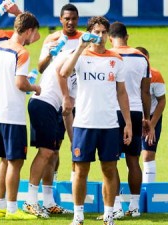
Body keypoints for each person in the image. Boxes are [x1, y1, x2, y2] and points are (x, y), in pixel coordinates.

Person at [58, 16, 132, 225]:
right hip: (84, 123)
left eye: (103, 32)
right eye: (96, 32)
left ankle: (109, 215)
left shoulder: (116, 59)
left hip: (109, 124)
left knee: (109, 170)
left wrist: (127, 123)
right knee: (81, 170)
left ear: (108, 35)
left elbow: (122, 93)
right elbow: (64, 72)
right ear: (89, 34)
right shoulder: (80, 55)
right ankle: (78, 215)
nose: (100, 36)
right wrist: (80, 49)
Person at [24, 4, 82, 217]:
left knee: (54, 152)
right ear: (60, 19)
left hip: (56, 106)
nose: (70, 22)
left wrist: (75, 137)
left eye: (74, 18)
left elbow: (68, 108)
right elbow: (50, 69)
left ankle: (48, 201)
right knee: (46, 151)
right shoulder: (60, 44)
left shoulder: (83, 42)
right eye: (67, 18)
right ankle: (31, 201)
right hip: (43, 102)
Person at [0, 12, 41, 219]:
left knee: (3, 160)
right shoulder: (22, 53)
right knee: (15, 161)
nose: (34, 37)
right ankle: (11, 209)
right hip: (13, 114)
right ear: (28, 31)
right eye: (33, 33)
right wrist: (34, 86)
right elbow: (21, 84)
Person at [107, 22, 152, 219]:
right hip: (134, 111)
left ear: (110, 38)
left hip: (112, 113)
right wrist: (147, 118)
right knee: (133, 160)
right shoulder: (141, 57)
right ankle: (134, 207)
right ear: (127, 36)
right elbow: (145, 92)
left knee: (111, 161)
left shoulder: (107, 55)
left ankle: (115, 206)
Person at [136, 46, 166, 183]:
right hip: (132, 117)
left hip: (152, 118)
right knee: (129, 156)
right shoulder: (127, 74)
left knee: (148, 155)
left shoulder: (156, 75)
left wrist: (151, 125)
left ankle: (147, 192)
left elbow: (162, 101)